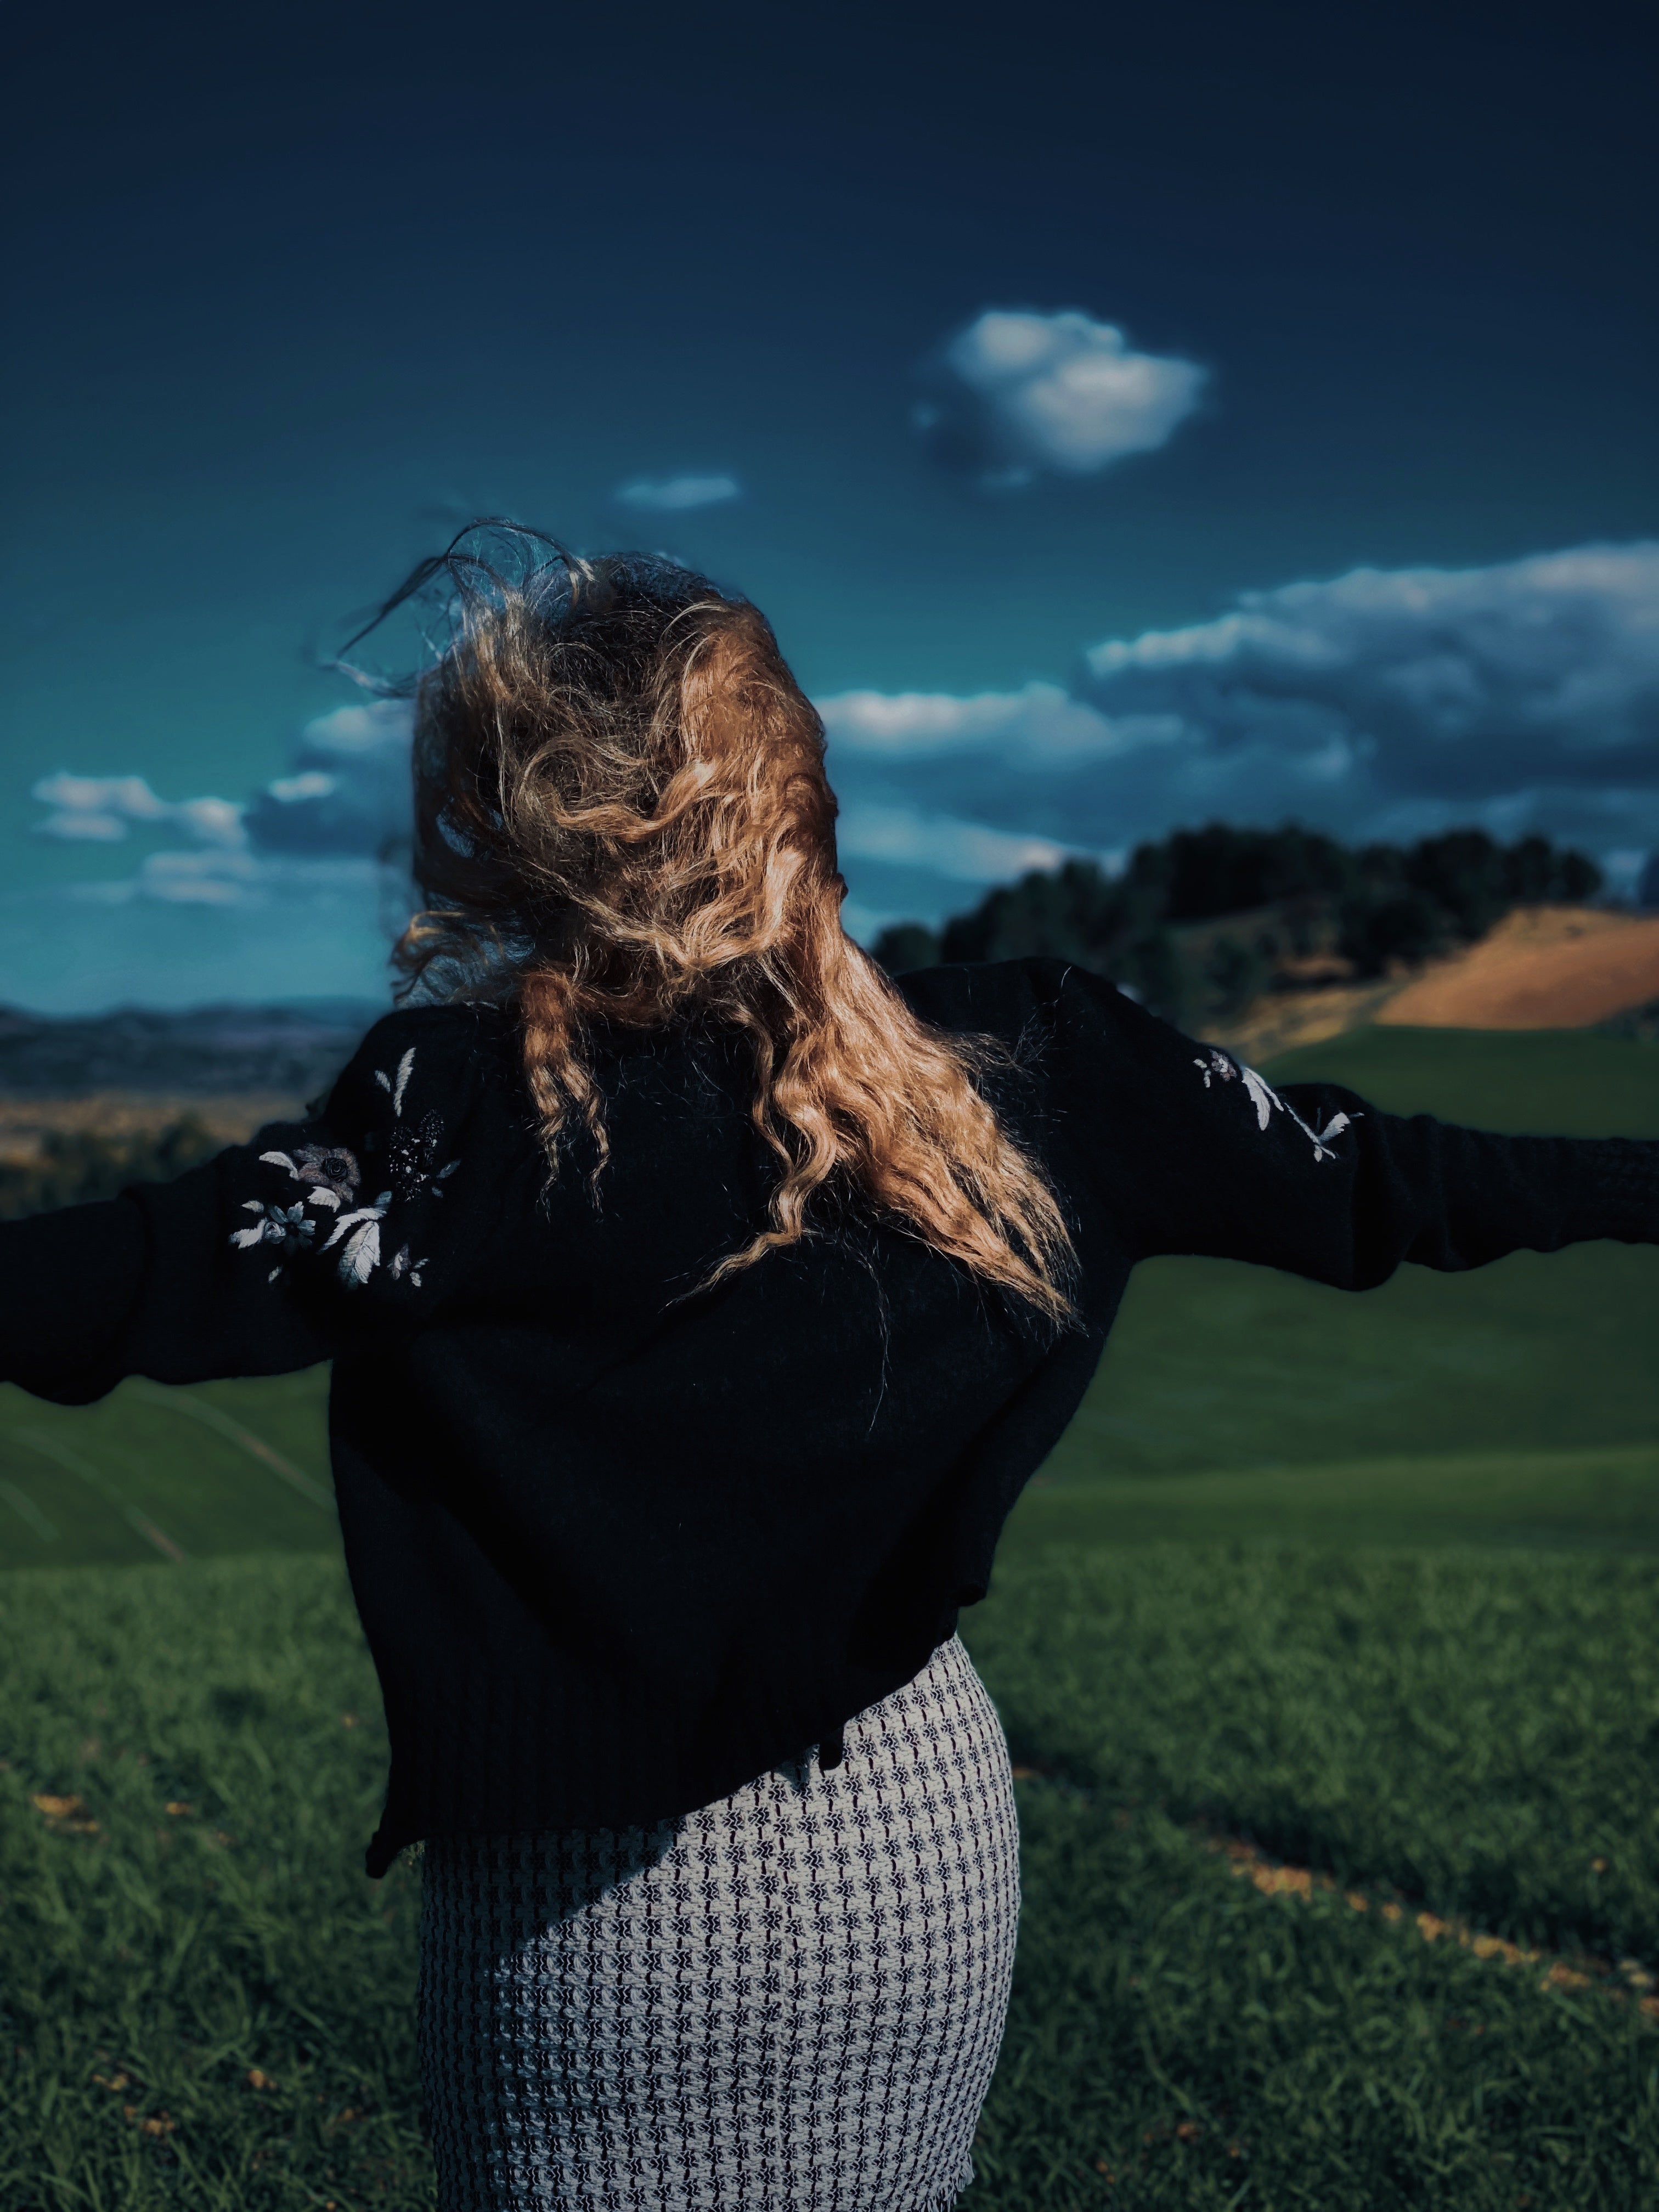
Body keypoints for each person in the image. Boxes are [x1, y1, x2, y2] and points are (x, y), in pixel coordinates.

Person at [4, 528, 1655, 2212]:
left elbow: (132, 1274)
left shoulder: (460, 1116)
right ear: (800, 798)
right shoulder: (1045, 1057)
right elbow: (1389, 1178)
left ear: (519, 823)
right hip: (913, 1849)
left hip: (594, 1913)